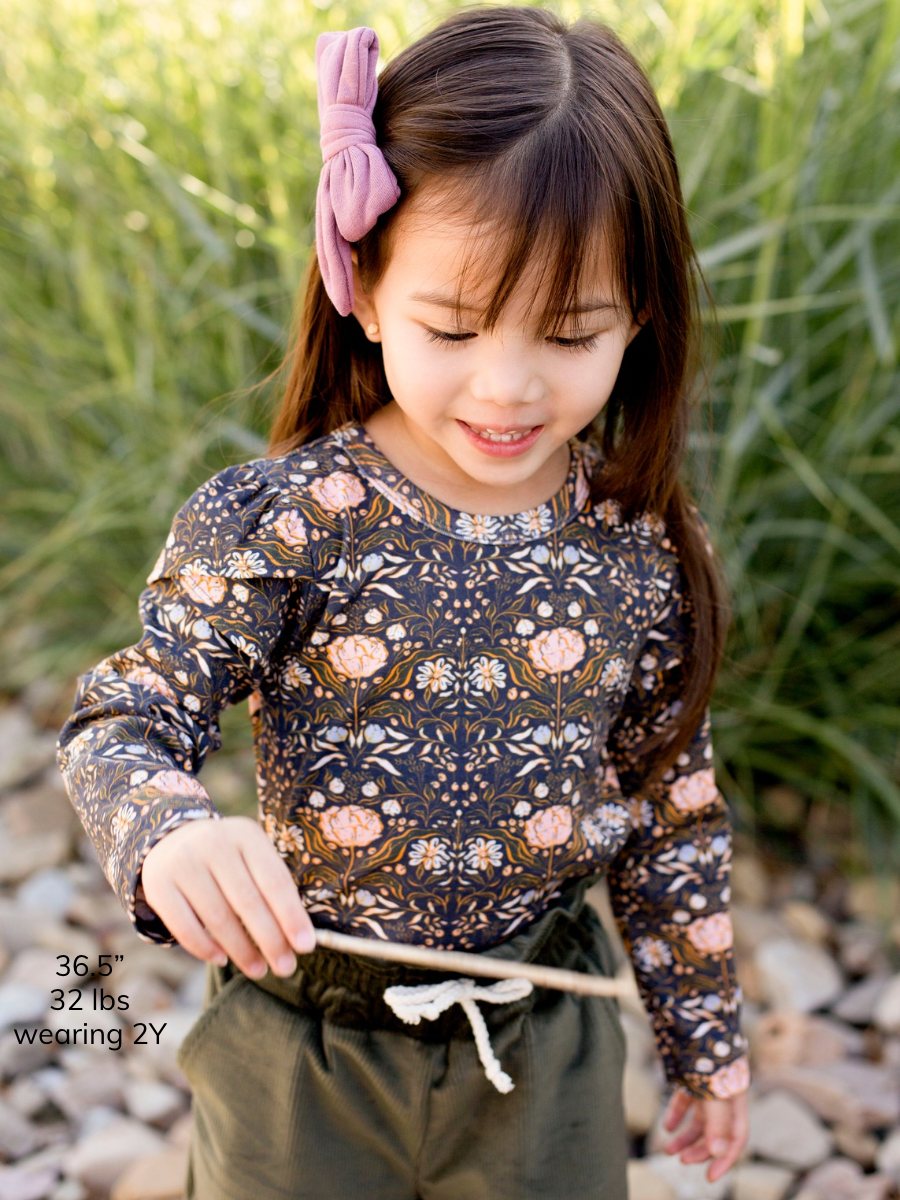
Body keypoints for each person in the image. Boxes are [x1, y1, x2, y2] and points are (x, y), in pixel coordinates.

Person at [55, 8, 752, 1198]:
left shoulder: (635, 545)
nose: (509, 383)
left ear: (642, 316)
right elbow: (123, 717)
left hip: (538, 1042)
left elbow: (666, 801)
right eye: (454, 326)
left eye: (573, 331)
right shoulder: (285, 520)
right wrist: (171, 831)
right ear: (362, 285)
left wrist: (706, 1035)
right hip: (302, 1052)